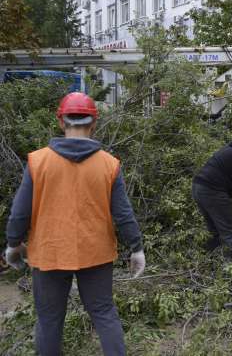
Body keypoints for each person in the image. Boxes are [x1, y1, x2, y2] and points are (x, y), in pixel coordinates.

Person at [4, 92, 145, 356]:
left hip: (49, 252)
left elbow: (19, 214)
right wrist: (136, 248)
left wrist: (13, 244)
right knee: (104, 314)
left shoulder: (38, 161)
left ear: (61, 122)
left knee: (48, 320)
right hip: (97, 253)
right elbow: (123, 214)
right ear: (94, 123)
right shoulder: (109, 164)